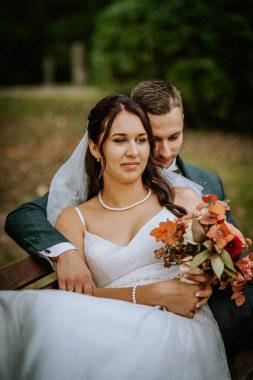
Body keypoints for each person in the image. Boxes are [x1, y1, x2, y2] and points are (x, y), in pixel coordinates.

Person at [4, 80, 252, 361]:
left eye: (174, 137)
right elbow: (24, 216)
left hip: (194, 320)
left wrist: (206, 277)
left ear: (182, 122)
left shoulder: (200, 187)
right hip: (110, 323)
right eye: (154, 138)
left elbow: (229, 253)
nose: (164, 152)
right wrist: (65, 253)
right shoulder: (81, 194)